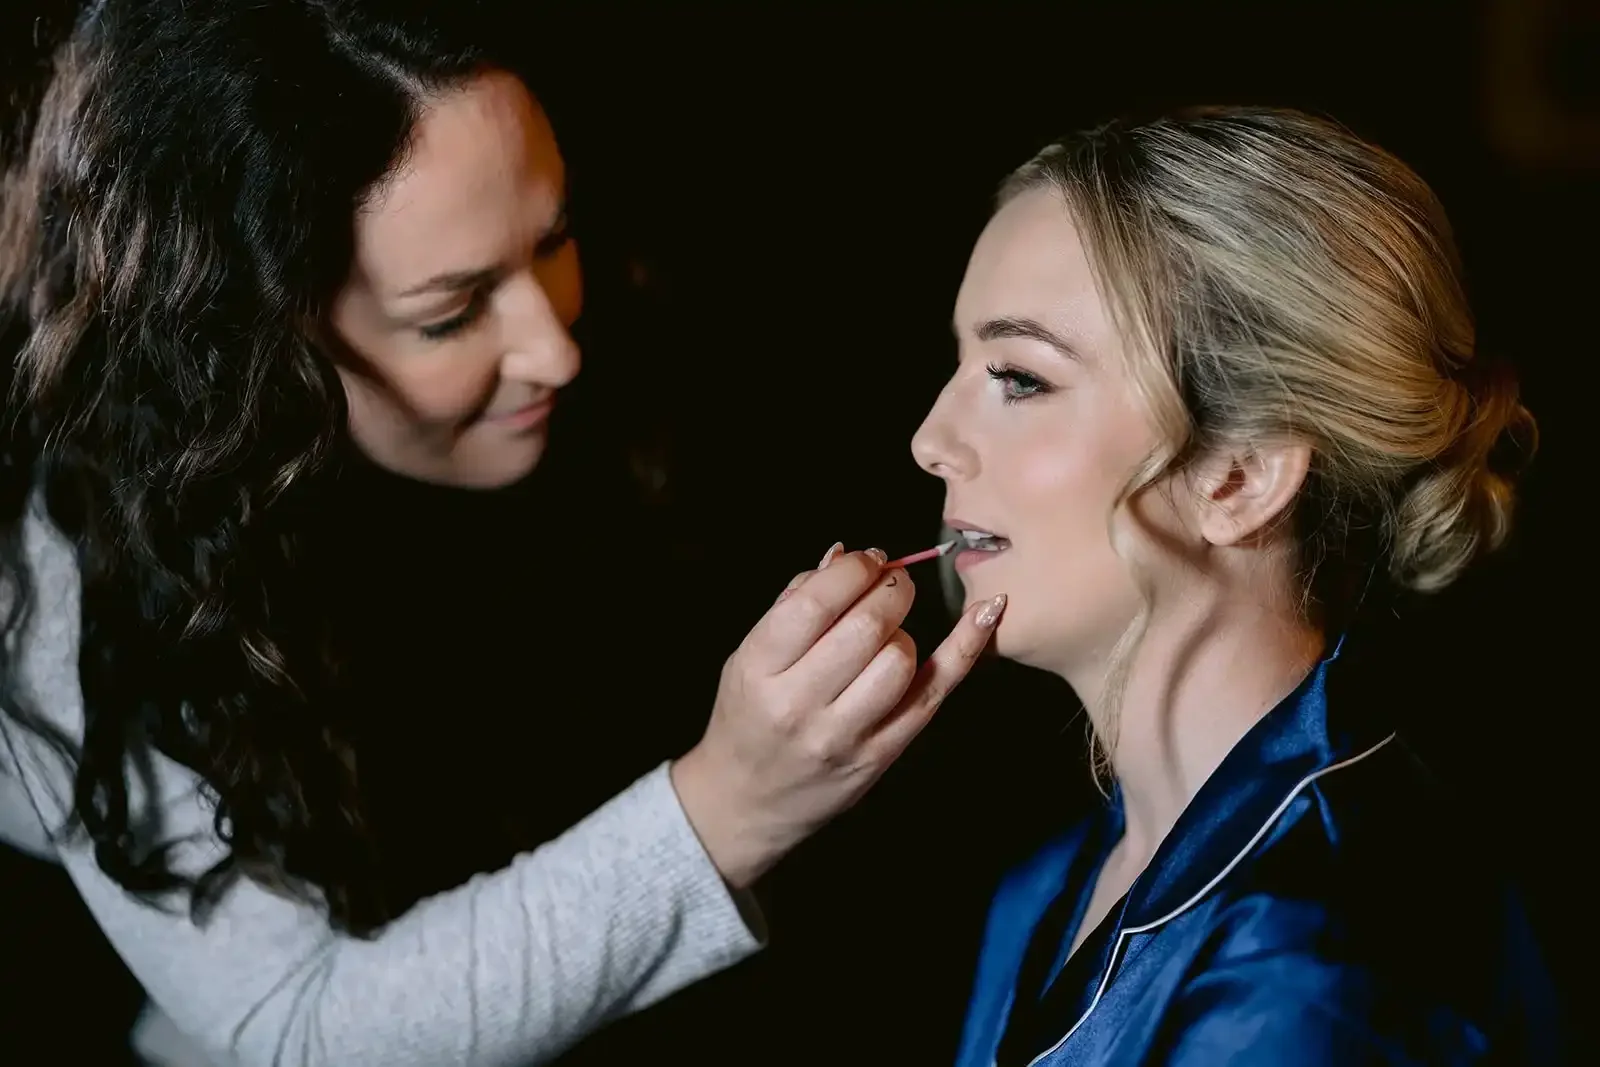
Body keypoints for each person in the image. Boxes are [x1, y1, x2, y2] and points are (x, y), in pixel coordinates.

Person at [0, 3, 1007, 1065]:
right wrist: (730, 802)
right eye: (451, 311)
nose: (554, 348)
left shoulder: (650, 320)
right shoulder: (68, 577)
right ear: (253, 339)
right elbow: (299, 1024)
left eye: (554, 237)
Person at [912, 107, 1561, 1065]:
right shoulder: (1047, 887)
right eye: (960, 364)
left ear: (1240, 474)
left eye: (1019, 377)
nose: (929, 441)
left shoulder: (1318, 966)